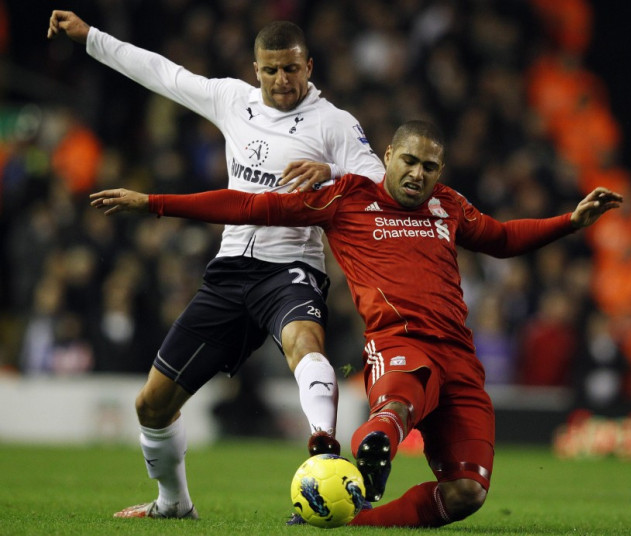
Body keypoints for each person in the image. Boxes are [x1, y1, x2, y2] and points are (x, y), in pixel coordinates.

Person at [91, 120, 622, 527]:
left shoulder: (449, 206)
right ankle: (377, 444)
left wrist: (570, 223)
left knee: (467, 495)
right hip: (398, 344)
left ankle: (353, 519)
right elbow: (253, 205)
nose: (418, 174)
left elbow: (503, 240)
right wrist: (156, 203)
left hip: (460, 357)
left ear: (441, 171)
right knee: (397, 404)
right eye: (409, 161)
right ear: (387, 157)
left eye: (430, 167)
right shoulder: (346, 197)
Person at [48, 10, 385, 520]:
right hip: (228, 273)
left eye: (291, 69)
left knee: (305, 345)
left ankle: (324, 452)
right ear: (256, 69)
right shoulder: (233, 100)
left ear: (309, 66)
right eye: (271, 70)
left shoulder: (335, 124)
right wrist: (89, 36)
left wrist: (333, 171)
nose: (281, 80)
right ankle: (174, 502)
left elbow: (381, 189)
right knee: (152, 405)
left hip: (290, 267)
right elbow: (162, 72)